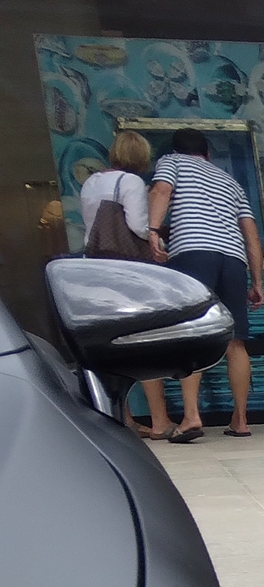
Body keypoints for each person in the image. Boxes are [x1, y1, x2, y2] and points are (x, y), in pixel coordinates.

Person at [148, 129, 263, 442]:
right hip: (234, 260)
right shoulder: (230, 182)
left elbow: (161, 192)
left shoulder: (172, 162)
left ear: (176, 150)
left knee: (192, 333)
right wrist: (257, 280)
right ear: (207, 154)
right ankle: (240, 420)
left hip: (195, 252)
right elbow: (251, 234)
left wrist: (153, 231)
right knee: (236, 342)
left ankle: (191, 416)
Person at [81, 130, 175, 439]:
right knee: (144, 340)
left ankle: (125, 419)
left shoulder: (91, 182)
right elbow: (136, 226)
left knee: (113, 342)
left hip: (95, 267)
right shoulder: (131, 182)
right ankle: (160, 421)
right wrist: (158, 234)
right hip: (127, 270)